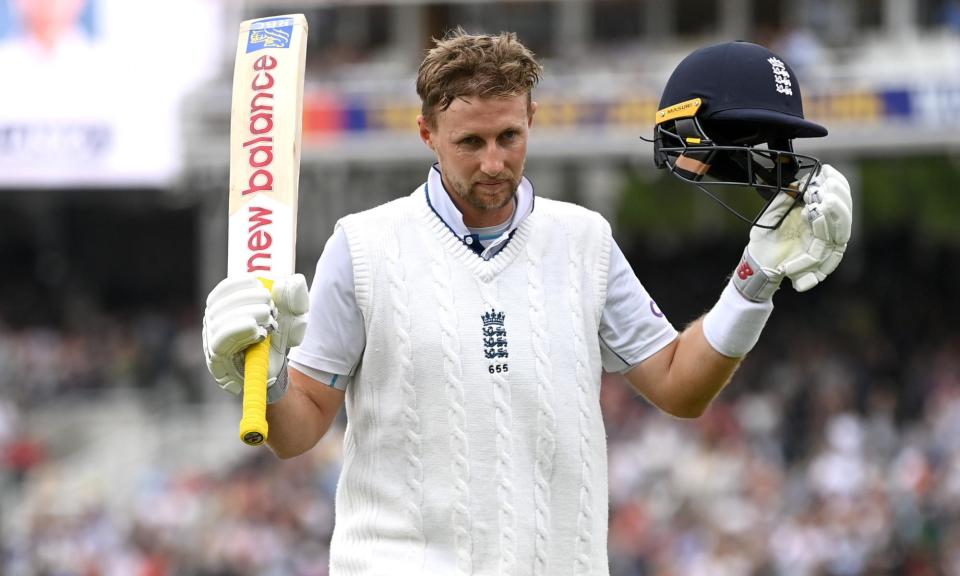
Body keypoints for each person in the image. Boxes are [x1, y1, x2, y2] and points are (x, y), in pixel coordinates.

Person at [202, 33, 852, 575]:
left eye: (509, 136)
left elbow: (681, 388)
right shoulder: (363, 245)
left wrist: (754, 278)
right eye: (470, 143)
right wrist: (267, 377)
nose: (493, 162)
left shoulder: (584, 240)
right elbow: (301, 428)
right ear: (427, 133)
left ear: (533, 120)